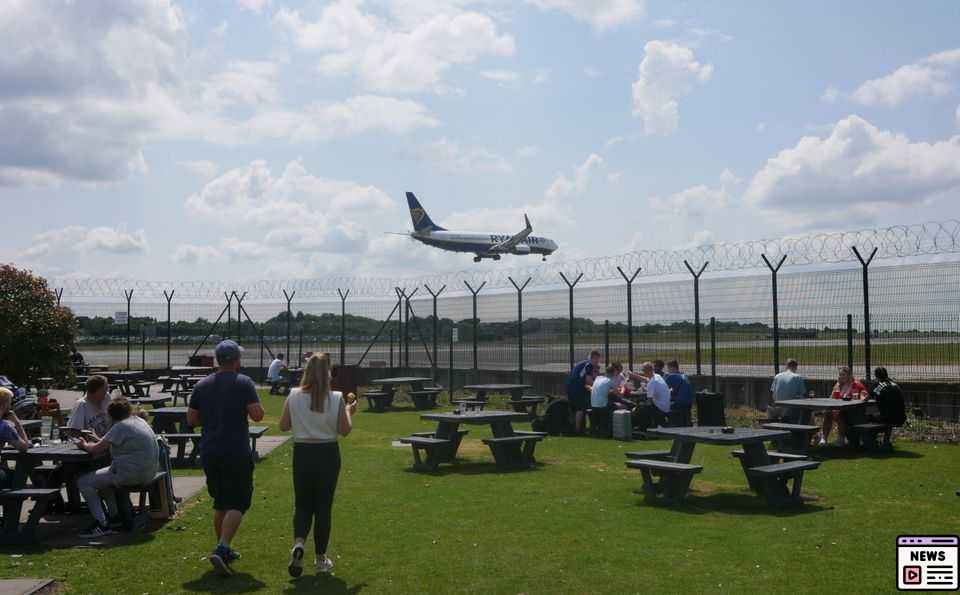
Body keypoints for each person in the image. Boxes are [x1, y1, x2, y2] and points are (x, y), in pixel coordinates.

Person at [187, 340, 265, 576]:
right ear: (237, 360)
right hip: (235, 450)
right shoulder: (244, 383)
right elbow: (257, 415)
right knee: (239, 502)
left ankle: (224, 548)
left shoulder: (202, 385)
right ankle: (222, 548)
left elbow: (191, 419)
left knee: (221, 502)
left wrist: (212, 417)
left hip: (210, 450)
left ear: (218, 360)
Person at [280, 353, 358, 577]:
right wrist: (348, 412)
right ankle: (321, 558)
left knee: (303, 503)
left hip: (302, 453)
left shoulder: (294, 395)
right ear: (328, 373)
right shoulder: (336, 398)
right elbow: (345, 430)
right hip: (327, 454)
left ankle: (298, 544)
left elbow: (284, 425)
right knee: (323, 507)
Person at [76, 397, 159, 538]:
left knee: (83, 482)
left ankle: (101, 524)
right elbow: (112, 441)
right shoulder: (138, 421)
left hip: (131, 474)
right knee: (102, 479)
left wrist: (83, 444)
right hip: (149, 471)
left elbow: (95, 450)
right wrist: (99, 439)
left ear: (110, 415)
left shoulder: (120, 426)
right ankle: (114, 516)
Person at [821, 366, 867, 446]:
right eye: (840, 375)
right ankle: (824, 439)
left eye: (843, 375)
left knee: (840, 415)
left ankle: (841, 439)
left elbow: (864, 396)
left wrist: (862, 397)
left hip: (853, 411)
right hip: (841, 409)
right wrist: (837, 386)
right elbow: (831, 398)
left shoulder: (856, 385)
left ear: (849, 375)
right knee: (828, 413)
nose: (841, 377)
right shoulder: (839, 384)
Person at [0, 388, 31, 489]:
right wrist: (17, 423)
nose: (11, 406)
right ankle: (13, 502)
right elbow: (24, 447)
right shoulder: (4, 427)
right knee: (18, 476)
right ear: (3, 405)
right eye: (10, 403)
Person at [566, 350, 600, 435]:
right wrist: (599, 386)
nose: (598, 362)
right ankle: (577, 430)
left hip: (571, 387)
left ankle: (580, 427)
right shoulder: (589, 365)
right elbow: (588, 380)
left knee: (580, 408)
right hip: (576, 388)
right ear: (593, 358)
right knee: (580, 408)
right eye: (597, 360)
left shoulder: (585, 363)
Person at [68, 375, 112, 439]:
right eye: (104, 389)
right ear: (96, 391)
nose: (107, 391)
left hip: (107, 440)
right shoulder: (81, 405)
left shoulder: (106, 398)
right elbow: (74, 432)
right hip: (90, 442)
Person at [634, 362, 671, 430]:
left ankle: (643, 429)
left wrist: (639, 405)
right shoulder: (657, 376)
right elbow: (646, 379)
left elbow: (649, 401)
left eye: (643, 370)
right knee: (642, 405)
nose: (642, 372)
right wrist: (634, 375)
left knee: (641, 408)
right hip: (665, 406)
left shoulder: (652, 382)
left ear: (647, 371)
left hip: (661, 408)